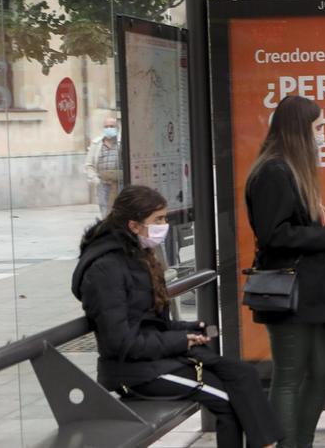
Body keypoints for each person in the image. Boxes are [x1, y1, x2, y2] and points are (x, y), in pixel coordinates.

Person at [72, 185, 282, 448]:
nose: (165, 225)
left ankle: (267, 444)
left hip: (157, 360)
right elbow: (120, 342)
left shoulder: (137, 254)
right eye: (158, 220)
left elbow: (152, 322)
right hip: (134, 373)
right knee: (229, 400)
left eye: (165, 218)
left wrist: (190, 329)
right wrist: (180, 341)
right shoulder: (105, 270)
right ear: (133, 226)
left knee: (242, 375)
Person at [244, 96, 325, 448]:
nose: (323, 135)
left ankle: (302, 441)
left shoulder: (291, 169)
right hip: (289, 290)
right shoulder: (273, 171)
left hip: (314, 288)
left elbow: (296, 231)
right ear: (299, 130)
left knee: (323, 370)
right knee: (290, 375)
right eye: (318, 128)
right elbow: (274, 234)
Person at [85, 117, 123, 217]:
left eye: (112, 126)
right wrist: (95, 179)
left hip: (119, 184)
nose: (109, 129)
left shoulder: (122, 143)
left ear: (117, 127)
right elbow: (89, 165)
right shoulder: (96, 143)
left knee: (120, 209)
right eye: (106, 126)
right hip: (102, 184)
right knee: (105, 210)